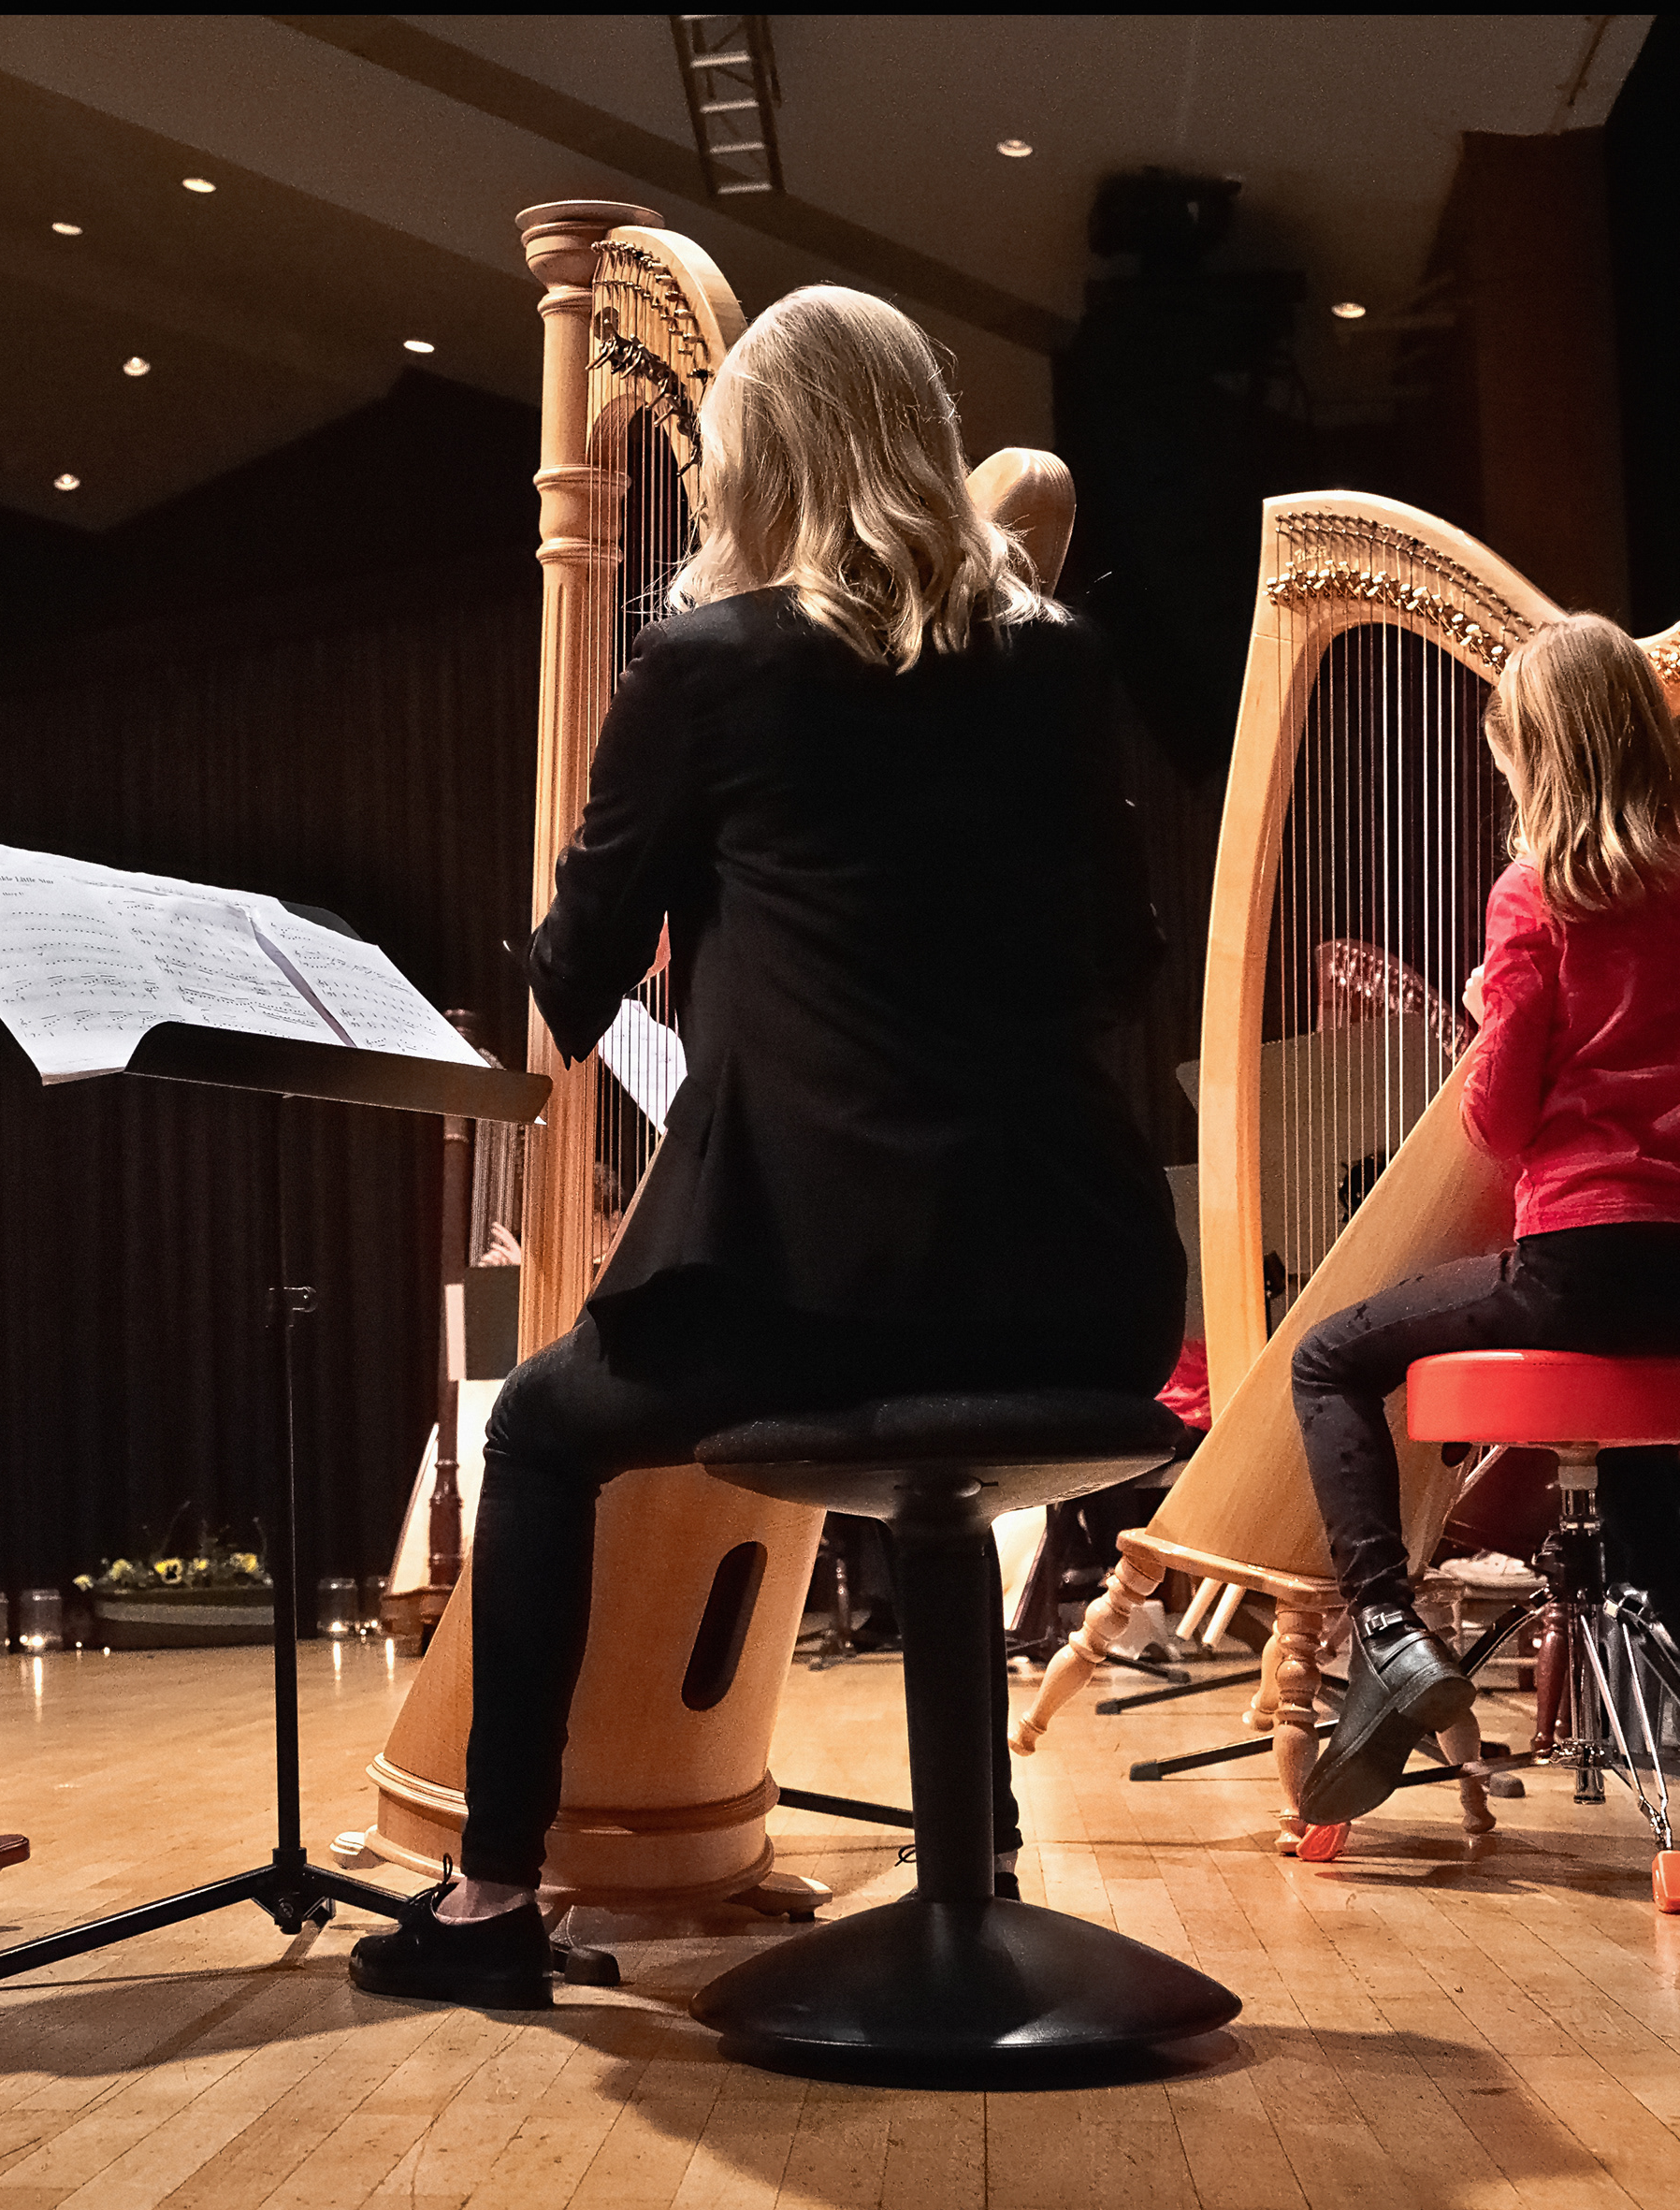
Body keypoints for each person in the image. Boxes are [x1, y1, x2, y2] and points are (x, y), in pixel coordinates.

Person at [349, 287, 1185, 2008]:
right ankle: (981, 1864)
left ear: (753, 464)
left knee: (544, 1432)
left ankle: (496, 1900)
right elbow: (1119, 962)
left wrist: (651, 910)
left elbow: (575, 980)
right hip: (1081, 1285)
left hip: (817, 1289)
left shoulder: (712, 662)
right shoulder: (1058, 658)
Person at [1288, 615, 1680, 1828]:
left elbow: (1503, 1125)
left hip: (1594, 1257)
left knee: (1324, 1356)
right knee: (1600, 1415)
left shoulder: (1541, 895)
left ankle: (1391, 1627)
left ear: (1545, 751)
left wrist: (1489, 1006)